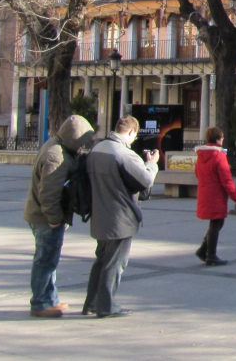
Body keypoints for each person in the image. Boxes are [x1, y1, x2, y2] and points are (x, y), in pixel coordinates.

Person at [83, 116, 158, 318]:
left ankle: (91, 303)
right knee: (115, 263)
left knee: (101, 260)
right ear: (132, 132)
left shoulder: (97, 149)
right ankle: (106, 306)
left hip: (99, 214)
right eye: (135, 136)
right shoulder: (124, 153)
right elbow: (146, 180)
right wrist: (152, 164)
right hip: (119, 217)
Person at [23, 115, 97, 318]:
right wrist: (55, 219)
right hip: (45, 218)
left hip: (42, 215)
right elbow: (48, 193)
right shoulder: (57, 156)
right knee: (45, 260)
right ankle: (41, 303)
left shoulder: (57, 146)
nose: (84, 145)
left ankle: (50, 298)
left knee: (48, 259)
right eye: (83, 140)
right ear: (74, 138)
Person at [194, 127, 236, 266]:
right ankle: (210, 255)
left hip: (205, 191)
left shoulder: (201, 155)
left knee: (216, 222)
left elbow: (197, 173)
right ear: (219, 139)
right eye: (222, 138)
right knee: (216, 223)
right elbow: (226, 178)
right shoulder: (219, 156)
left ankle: (203, 249)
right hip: (216, 193)